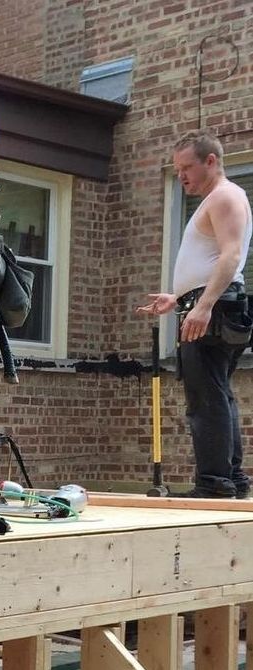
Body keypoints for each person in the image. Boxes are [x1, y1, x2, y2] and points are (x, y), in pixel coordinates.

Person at [137, 130, 253, 499]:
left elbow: (231, 256)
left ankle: (215, 483)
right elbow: (210, 261)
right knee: (216, 393)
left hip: (215, 305)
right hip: (208, 301)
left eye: (187, 167)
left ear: (211, 161)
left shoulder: (224, 196)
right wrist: (179, 297)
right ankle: (231, 480)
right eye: (177, 169)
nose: (182, 175)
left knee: (206, 397)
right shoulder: (216, 200)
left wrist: (202, 306)